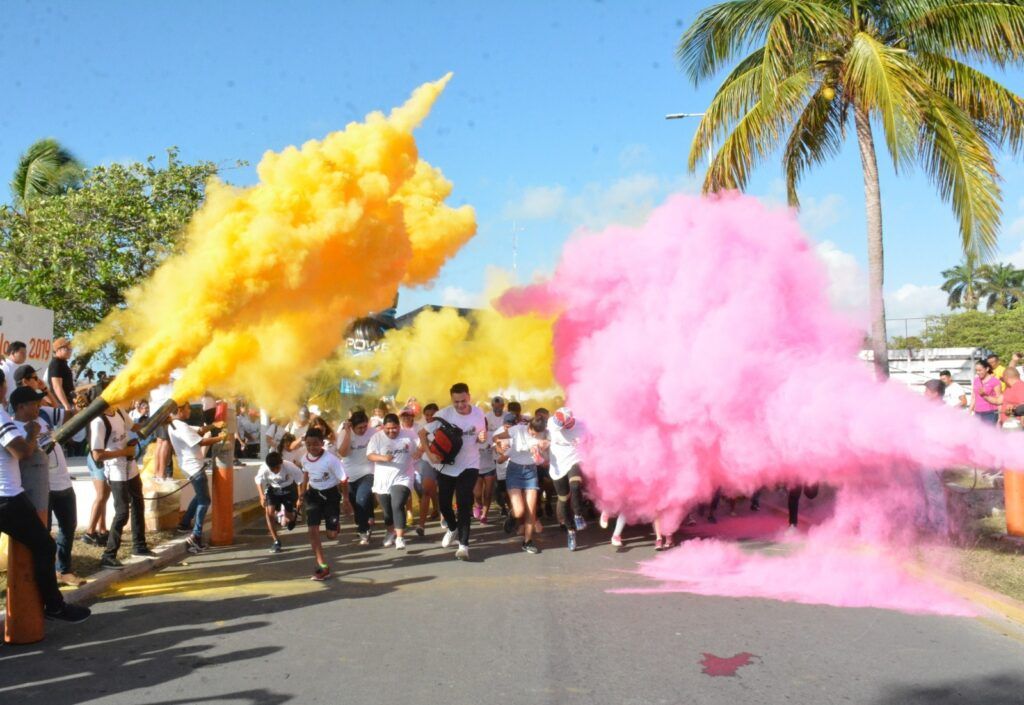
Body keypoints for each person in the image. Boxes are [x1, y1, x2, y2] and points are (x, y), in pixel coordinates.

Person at [0, 371, 90, 623]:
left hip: (9, 494)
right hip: (7, 496)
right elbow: (21, 452)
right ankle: (54, 606)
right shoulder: (2, 418)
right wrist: (30, 434)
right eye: (4, 387)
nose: (5, 392)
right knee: (45, 545)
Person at [419, 383, 486, 561]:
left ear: (469, 397)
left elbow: (481, 437)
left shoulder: (479, 413)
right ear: (451, 400)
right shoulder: (443, 414)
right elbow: (421, 434)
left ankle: (463, 545)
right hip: (446, 466)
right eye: (456, 401)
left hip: (470, 465)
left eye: (463, 401)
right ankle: (452, 528)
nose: (460, 405)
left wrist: (482, 438)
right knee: (444, 504)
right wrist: (429, 454)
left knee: (464, 503)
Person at [33, 390, 85, 586]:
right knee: (44, 532)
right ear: (22, 406)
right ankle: (46, 574)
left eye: (39, 401)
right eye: (34, 402)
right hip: (43, 486)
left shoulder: (45, 413)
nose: (38, 405)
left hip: (63, 481)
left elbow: (68, 415)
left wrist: (77, 406)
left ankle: (63, 569)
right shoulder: (17, 426)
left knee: (68, 525)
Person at [91, 403, 152, 568]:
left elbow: (136, 426)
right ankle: (108, 555)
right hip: (115, 468)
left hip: (129, 464)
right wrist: (123, 452)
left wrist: (158, 421)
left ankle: (139, 545)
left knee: (138, 504)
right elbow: (97, 455)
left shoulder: (119, 411)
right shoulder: (98, 421)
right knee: (122, 511)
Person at [167, 402, 226, 554]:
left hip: (190, 466)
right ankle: (196, 536)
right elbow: (201, 441)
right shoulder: (179, 426)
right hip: (193, 467)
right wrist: (220, 438)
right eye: (187, 409)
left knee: (199, 496)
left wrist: (213, 425)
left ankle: (185, 523)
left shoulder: (178, 424)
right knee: (205, 500)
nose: (190, 411)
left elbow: (199, 431)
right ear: (180, 410)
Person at [492, 415, 550, 554]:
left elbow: (545, 460)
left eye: (537, 434)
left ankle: (528, 542)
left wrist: (542, 450)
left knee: (531, 510)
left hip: (531, 472)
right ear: (528, 426)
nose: (533, 435)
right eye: (531, 432)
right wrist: (501, 445)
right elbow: (496, 438)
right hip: (514, 470)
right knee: (519, 511)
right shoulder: (517, 429)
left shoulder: (545, 436)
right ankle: (512, 516)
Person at [368, 413, 421, 550]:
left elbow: (422, 444)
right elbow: (370, 455)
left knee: (397, 504)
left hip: (403, 476)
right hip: (382, 479)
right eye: (388, 428)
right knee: (387, 511)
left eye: (394, 428)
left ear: (399, 426)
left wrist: (419, 453)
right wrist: (383, 458)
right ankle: (390, 531)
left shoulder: (409, 434)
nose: (391, 431)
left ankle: (400, 537)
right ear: (384, 427)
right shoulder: (377, 437)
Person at [299, 427, 345, 580]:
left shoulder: (331, 460)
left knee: (331, 536)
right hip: (313, 495)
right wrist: (302, 493)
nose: (312, 447)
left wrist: (347, 500)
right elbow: (306, 472)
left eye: (315, 444)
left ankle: (335, 525)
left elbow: (344, 480)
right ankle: (323, 566)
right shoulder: (304, 458)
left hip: (331, 495)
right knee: (312, 530)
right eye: (309, 444)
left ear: (322, 443)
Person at [547, 407, 587, 551]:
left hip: (574, 458)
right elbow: (543, 437)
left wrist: (583, 444)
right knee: (563, 498)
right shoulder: (552, 423)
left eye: (563, 426)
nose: (560, 429)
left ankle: (578, 514)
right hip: (557, 463)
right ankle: (571, 531)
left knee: (575, 486)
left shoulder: (582, 426)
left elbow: (592, 442)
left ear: (569, 421)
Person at [337, 410, 377, 545]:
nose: (363, 430)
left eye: (365, 426)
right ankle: (364, 520)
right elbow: (343, 453)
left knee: (362, 498)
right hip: (350, 475)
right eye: (359, 427)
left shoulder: (372, 433)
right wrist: (348, 433)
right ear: (352, 426)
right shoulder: (344, 434)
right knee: (356, 503)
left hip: (368, 471)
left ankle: (363, 530)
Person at [255, 451, 304, 552]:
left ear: (281, 463)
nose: (275, 471)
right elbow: (258, 481)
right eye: (272, 469)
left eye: (277, 468)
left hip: (288, 489)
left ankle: (292, 516)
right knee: (269, 513)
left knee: (288, 516)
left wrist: (300, 498)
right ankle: (276, 541)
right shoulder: (264, 468)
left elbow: (300, 481)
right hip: (272, 489)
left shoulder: (289, 466)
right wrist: (261, 496)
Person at [473, 400, 503, 524]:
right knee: (477, 493)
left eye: (483, 425)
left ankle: (484, 514)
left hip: (490, 468)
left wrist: (499, 449)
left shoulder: (491, 435)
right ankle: (477, 505)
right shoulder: (472, 436)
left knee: (488, 492)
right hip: (476, 468)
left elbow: (498, 446)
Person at [415, 403, 441, 536]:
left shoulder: (444, 427)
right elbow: (420, 447)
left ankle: (444, 518)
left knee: (442, 492)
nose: (430, 417)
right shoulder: (423, 428)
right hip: (427, 462)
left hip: (443, 464)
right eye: (427, 415)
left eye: (432, 414)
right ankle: (421, 525)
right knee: (426, 491)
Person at [46, 337, 76, 412]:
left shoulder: (62, 363)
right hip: (61, 404)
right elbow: (57, 386)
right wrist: (66, 405)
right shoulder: (56, 364)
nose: (70, 352)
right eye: (67, 349)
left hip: (67, 402)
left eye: (70, 349)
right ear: (58, 350)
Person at [972, 359, 1002, 425]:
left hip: (990, 413)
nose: (978, 372)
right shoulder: (976, 380)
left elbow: (999, 399)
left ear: (987, 369)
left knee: (988, 434)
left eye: (980, 370)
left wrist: (1000, 418)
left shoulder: (995, 381)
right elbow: (974, 397)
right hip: (977, 413)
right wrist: (970, 411)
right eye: (976, 370)